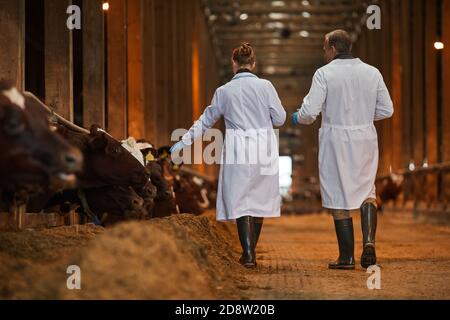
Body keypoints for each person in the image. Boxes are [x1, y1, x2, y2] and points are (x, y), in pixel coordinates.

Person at [170, 43, 286, 268]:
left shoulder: (224, 91)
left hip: (237, 146)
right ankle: (250, 251)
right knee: (259, 199)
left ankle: (249, 254)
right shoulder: (266, 86)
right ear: (253, 64)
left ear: (234, 64)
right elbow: (280, 118)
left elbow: (205, 121)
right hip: (263, 145)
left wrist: (183, 142)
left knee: (241, 199)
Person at [292, 30, 394, 269]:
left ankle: (346, 258)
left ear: (332, 48)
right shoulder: (372, 72)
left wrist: (297, 118)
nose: (324, 53)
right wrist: (364, 117)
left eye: (324, 49)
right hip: (365, 136)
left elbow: (309, 113)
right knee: (367, 190)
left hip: (335, 138)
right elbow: (387, 110)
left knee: (337, 194)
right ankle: (368, 241)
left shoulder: (324, 74)